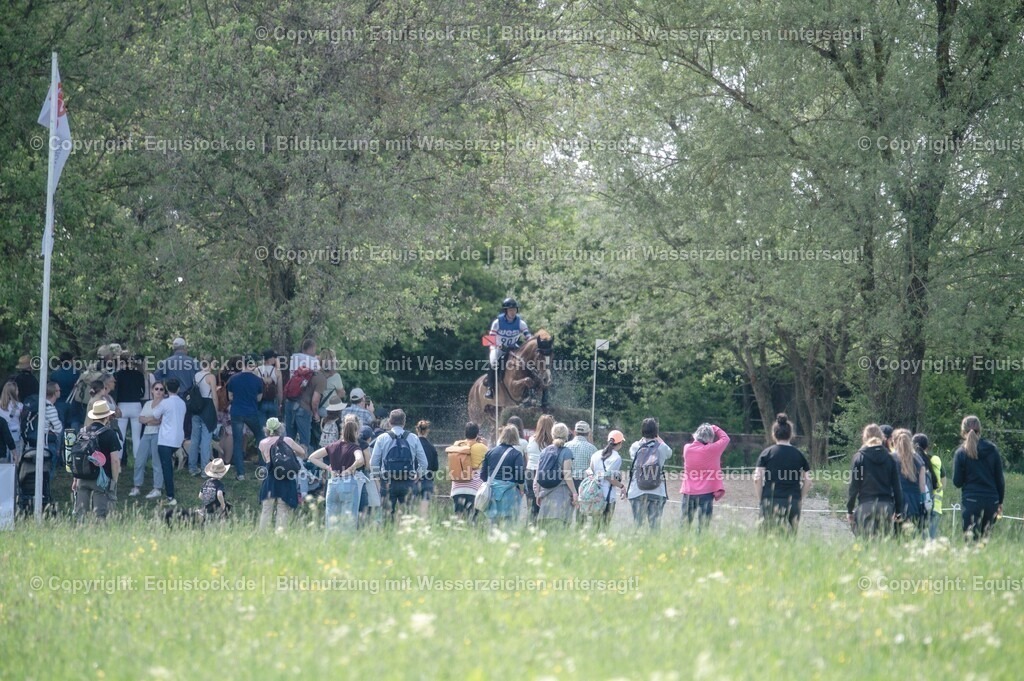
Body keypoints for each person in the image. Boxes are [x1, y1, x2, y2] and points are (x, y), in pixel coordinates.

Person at [309, 417, 379, 530]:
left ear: (342, 431)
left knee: (331, 521)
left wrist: (328, 468)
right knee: (348, 521)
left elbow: (312, 457)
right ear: (356, 432)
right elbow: (360, 460)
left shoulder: (333, 446)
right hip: (348, 483)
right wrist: (350, 469)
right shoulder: (355, 447)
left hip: (333, 483)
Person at [753, 414, 810, 535]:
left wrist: (762, 498)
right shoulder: (799, 455)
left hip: (770, 500)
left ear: (774, 434)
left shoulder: (767, 453)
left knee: (765, 538)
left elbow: (757, 479)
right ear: (791, 434)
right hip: (792, 501)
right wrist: (798, 498)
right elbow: (808, 481)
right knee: (789, 540)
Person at [953, 415, 1005, 541]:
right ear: (980, 430)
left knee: (971, 540)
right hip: (991, 500)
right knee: (984, 539)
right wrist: (1000, 502)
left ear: (963, 431)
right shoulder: (992, 450)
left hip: (971, 499)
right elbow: (1000, 479)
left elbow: (957, 482)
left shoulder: (961, 452)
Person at [370, 409, 428, 521]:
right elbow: (424, 463)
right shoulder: (413, 438)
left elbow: (373, 462)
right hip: (408, 481)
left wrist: (378, 477)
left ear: (389, 422)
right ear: (404, 422)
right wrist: (417, 476)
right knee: (408, 517)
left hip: (387, 482)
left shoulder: (382, 438)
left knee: (386, 516)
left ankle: (387, 531)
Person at [846, 424, 903, 537]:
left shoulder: (859, 457)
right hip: (886, 506)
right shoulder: (890, 458)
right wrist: (898, 511)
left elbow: (854, 486)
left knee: (865, 543)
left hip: (865, 505)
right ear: (881, 437)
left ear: (865, 437)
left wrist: (850, 510)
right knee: (884, 544)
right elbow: (897, 487)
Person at [72, 400, 121, 521]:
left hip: (82, 477)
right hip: (101, 480)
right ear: (107, 417)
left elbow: (77, 457)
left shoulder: (82, 432)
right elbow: (115, 460)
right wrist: (114, 481)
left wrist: (75, 479)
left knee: (80, 514)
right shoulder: (110, 434)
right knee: (100, 515)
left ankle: (80, 530)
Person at [258, 417, 306, 532]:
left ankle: (262, 535)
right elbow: (303, 452)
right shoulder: (288, 440)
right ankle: (280, 534)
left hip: (270, 477)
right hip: (285, 476)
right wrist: (290, 454)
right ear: (280, 428)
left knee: (266, 508)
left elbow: (265, 459)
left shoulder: (262, 443)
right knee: (283, 508)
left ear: (266, 429)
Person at [624, 418, 672, 531]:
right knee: (655, 527)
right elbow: (669, 453)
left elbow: (632, 456)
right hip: (657, 491)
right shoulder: (662, 447)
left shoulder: (635, 446)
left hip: (637, 490)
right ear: (656, 431)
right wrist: (658, 437)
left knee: (638, 526)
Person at [681, 422, 730, 531]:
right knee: (703, 527)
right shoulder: (712, 450)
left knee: (684, 525)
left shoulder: (687, 448)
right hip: (706, 493)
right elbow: (725, 438)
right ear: (710, 437)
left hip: (688, 492)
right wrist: (714, 427)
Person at [483, 297, 531, 398]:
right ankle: (490, 388)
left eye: (514, 310)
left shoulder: (521, 323)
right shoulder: (497, 322)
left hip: (513, 348)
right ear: (506, 311)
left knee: (526, 361)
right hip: (498, 347)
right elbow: (490, 338)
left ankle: (530, 389)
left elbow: (528, 337)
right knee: (493, 361)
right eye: (510, 310)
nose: (513, 312)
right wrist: (499, 345)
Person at [480, 425, 526, 526]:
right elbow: (520, 476)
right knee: (509, 527)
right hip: (510, 496)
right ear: (516, 437)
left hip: (492, 496)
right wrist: (522, 489)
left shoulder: (490, 452)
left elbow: (483, 475)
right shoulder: (516, 454)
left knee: (493, 528)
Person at [151, 377, 187, 506]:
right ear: (178, 389)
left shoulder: (165, 403)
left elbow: (155, 414)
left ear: (166, 388)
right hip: (178, 438)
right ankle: (169, 492)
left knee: (167, 469)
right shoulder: (182, 403)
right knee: (169, 467)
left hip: (166, 439)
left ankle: (171, 496)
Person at [535, 422, 577, 527]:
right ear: (566, 435)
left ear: (552, 435)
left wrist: (538, 494)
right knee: (559, 529)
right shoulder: (567, 452)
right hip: (561, 496)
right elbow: (567, 475)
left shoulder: (544, 451)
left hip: (545, 496)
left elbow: (538, 474)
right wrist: (574, 493)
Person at [227, 361, 264, 481]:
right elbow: (259, 398)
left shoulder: (233, 379)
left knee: (237, 441)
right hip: (251, 412)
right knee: (260, 436)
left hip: (237, 411)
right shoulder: (258, 380)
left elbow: (230, 396)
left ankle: (240, 473)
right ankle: (263, 468)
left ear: (243, 365)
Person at [130, 380, 166, 498]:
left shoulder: (165, 404)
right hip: (146, 434)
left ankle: (157, 488)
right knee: (139, 460)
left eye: (161, 389)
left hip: (158, 434)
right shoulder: (147, 403)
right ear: (152, 391)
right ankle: (137, 486)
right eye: (156, 389)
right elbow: (140, 419)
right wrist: (151, 419)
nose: (159, 391)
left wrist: (148, 420)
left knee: (156, 462)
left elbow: (160, 420)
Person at [448, 422, 489, 520]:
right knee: (472, 519)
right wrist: (486, 445)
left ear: (465, 433)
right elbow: (490, 459)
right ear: (477, 433)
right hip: (474, 489)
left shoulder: (457, 445)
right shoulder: (482, 447)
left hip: (457, 487)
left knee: (459, 520)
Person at [893, 428, 929, 538]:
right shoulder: (918, 459)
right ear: (911, 442)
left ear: (894, 442)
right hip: (914, 502)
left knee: (896, 538)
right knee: (913, 537)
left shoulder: (890, 458)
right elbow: (922, 486)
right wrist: (923, 503)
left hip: (895, 503)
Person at [188, 358, 219, 477]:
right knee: (206, 439)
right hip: (208, 407)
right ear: (210, 364)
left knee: (194, 438)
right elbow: (214, 395)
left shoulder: (196, 376)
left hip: (196, 407)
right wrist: (216, 411)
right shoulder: (211, 377)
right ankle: (205, 469)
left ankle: (192, 467)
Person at [587, 430, 624, 528]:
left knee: (595, 525)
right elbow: (609, 477)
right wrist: (621, 486)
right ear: (620, 443)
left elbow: (590, 471)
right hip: (608, 496)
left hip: (595, 494)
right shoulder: (617, 458)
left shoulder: (596, 454)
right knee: (604, 527)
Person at [285, 338, 318, 444]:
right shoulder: (314, 361)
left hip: (290, 400)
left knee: (289, 439)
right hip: (304, 403)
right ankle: (304, 454)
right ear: (312, 348)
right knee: (304, 439)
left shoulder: (294, 357)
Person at [114, 353, 146, 460]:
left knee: (120, 436)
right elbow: (143, 392)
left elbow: (116, 391)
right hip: (136, 404)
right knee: (136, 437)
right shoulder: (139, 374)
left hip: (122, 405)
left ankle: (118, 462)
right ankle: (138, 461)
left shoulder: (118, 375)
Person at [524, 414, 553, 524]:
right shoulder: (552, 442)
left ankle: (531, 523)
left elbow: (528, 457)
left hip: (530, 471)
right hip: (546, 472)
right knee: (546, 499)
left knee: (531, 500)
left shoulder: (531, 439)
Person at [567, 420, 597, 524]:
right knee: (581, 513)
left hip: (568, 481)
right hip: (584, 483)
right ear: (588, 433)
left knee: (567, 510)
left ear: (574, 432)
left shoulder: (566, 446)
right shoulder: (592, 448)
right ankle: (579, 530)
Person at [915, 433, 944, 540]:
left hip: (915, 504)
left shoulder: (912, 461)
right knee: (930, 539)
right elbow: (943, 482)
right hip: (933, 504)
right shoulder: (935, 460)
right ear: (927, 447)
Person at [414, 420, 438, 515]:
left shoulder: (412, 445)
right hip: (428, 480)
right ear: (427, 431)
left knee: (411, 508)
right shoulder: (431, 447)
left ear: (417, 430)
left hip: (413, 480)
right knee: (424, 510)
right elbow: (435, 467)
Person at [51, 351, 79, 428]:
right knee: (73, 423)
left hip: (59, 402)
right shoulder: (76, 373)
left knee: (60, 425)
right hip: (73, 403)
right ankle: (73, 436)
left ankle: (61, 436)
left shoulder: (54, 374)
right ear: (71, 360)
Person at [256, 349, 282, 425]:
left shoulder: (256, 370)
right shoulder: (277, 371)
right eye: (274, 357)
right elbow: (280, 390)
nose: (275, 359)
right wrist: (280, 404)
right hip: (273, 402)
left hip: (260, 402)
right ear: (270, 358)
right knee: (273, 428)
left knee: (262, 428)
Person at [42, 382, 63, 474]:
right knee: (49, 469)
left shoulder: (42, 405)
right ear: (54, 393)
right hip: (49, 442)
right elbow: (59, 428)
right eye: (59, 390)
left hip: (41, 440)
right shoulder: (50, 408)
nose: (60, 391)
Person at [0, 381, 23, 457]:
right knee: (15, 457)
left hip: (2, 435)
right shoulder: (19, 406)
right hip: (15, 433)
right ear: (14, 392)